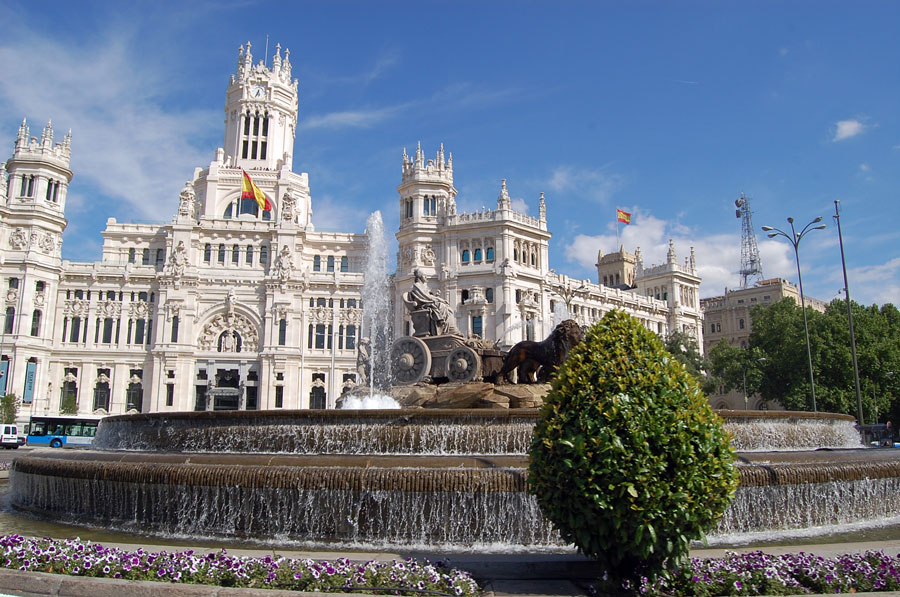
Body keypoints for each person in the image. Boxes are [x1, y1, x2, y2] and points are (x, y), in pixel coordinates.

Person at [406, 269, 460, 335]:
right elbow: (425, 297)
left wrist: (436, 297)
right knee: (442, 306)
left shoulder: (422, 286)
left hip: (427, 302)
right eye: (424, 275)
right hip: (423, 305)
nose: (425, 277)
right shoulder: (417, 285)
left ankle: (449, 328)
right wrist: (439, 299)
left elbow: (427, 296)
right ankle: (447, 329)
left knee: (448, 309)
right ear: (420, 277)